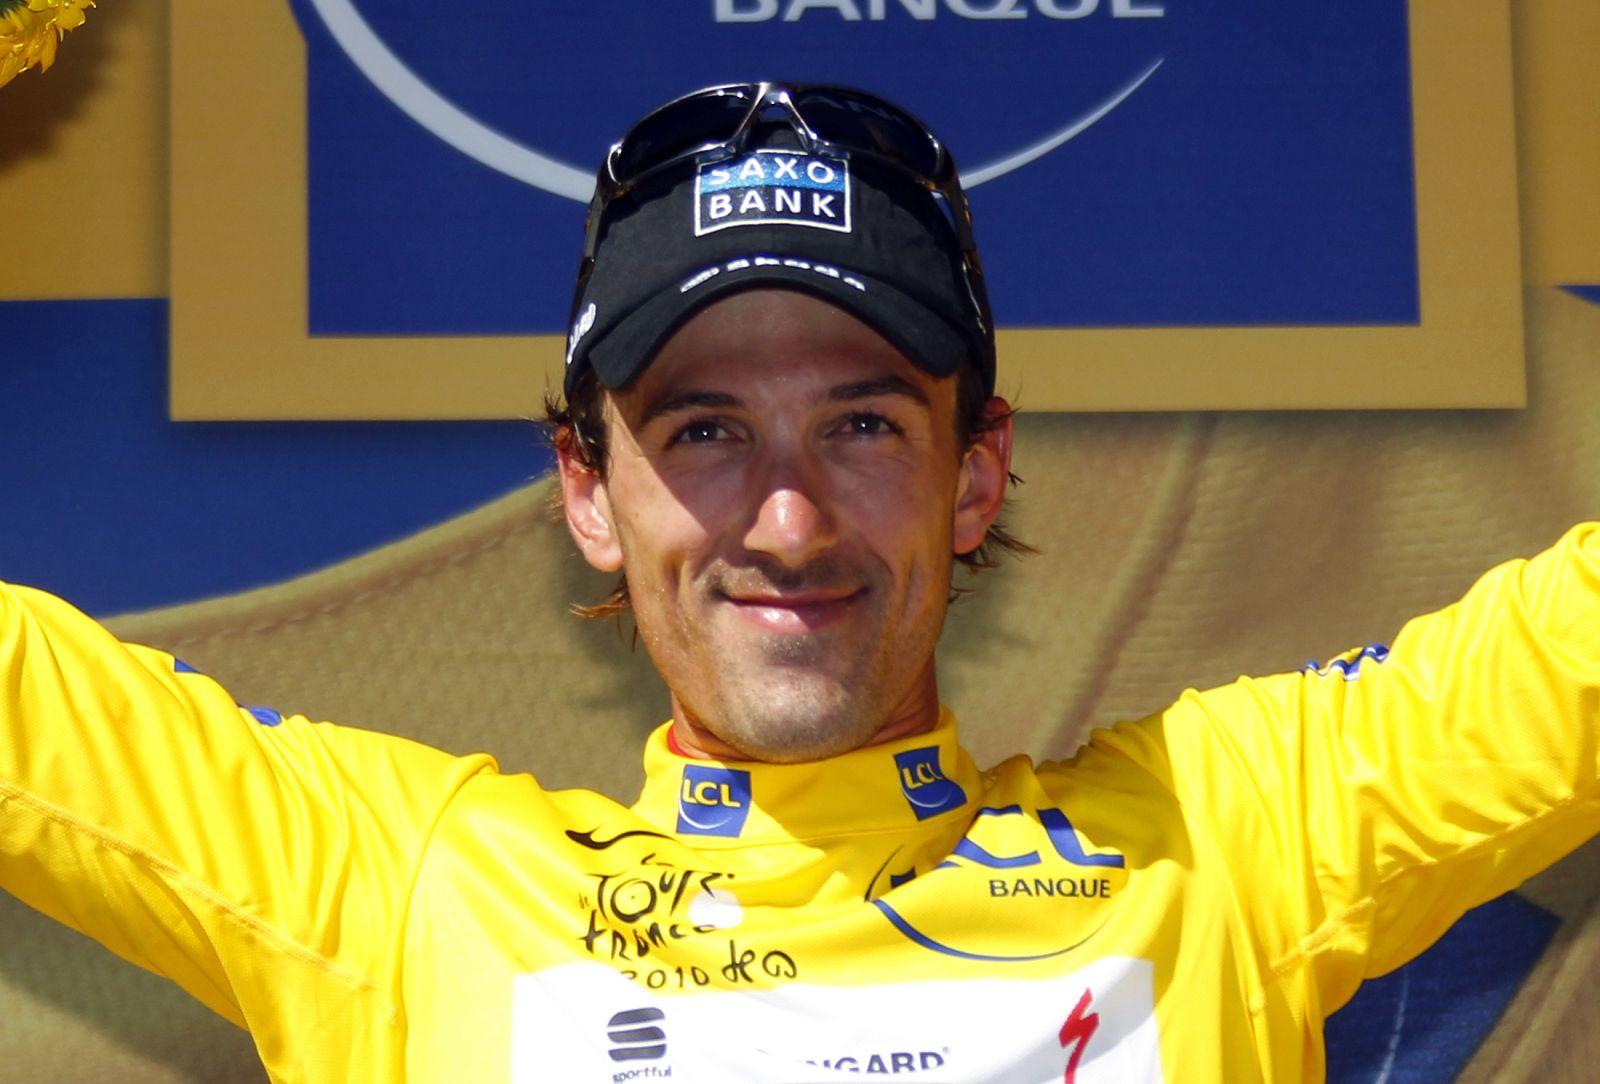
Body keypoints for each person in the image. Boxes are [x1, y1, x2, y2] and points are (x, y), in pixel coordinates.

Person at [1, 81, 1597, 1084]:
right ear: (588, 492)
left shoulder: (1225, 841)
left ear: (976, 474)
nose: (785, 517)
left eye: (862, 424)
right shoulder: (408, 897)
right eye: (703, 430)